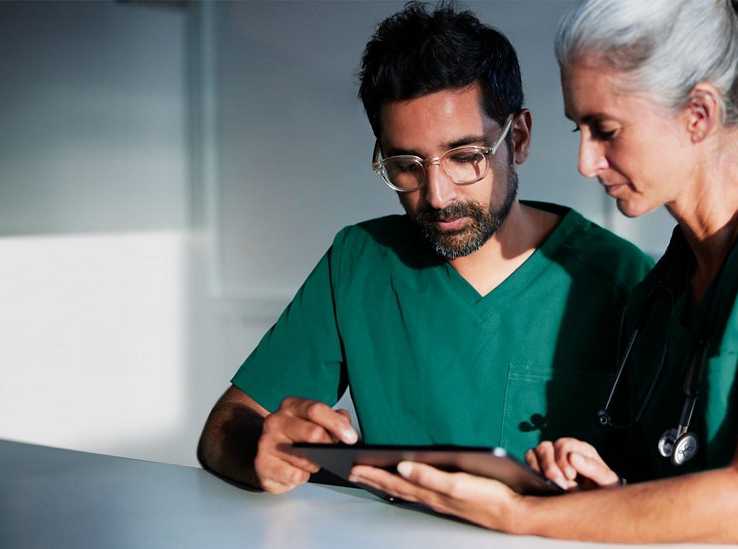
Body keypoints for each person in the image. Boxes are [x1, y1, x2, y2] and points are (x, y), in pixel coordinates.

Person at [347, 0, 738, 546]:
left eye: (605, 131)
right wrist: (607, 489)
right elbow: (683, 486)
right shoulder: (658, 291)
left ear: (697, 114)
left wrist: (519, 515)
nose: (586, 161)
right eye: (579, 128)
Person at [196, 1, 653, 495]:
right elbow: (224, 428)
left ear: (517, 137)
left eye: (464, 157)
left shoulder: (625, 281)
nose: (437, 196)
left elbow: (670, 487)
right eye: (407, 165)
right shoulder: (360, 262)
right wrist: (264, 448)